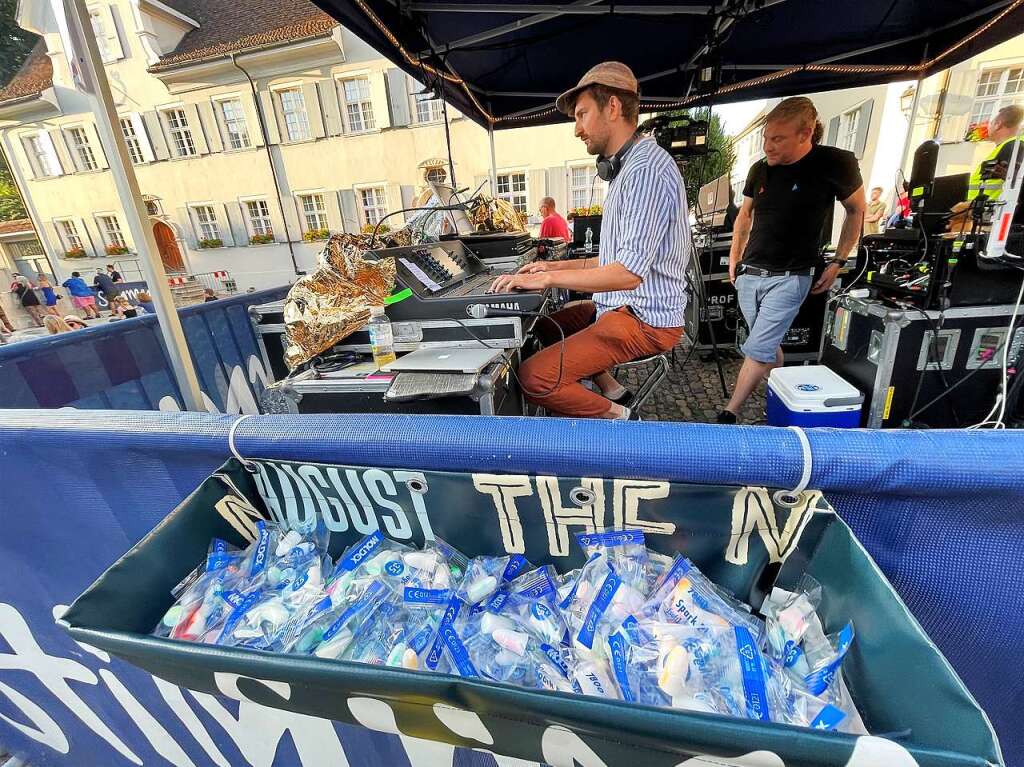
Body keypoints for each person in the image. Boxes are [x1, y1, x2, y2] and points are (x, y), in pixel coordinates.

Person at [490, 62, 688, 419]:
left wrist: (549, 279)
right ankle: (612, 388)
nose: (577, 129)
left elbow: (627, 273)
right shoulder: (627, 168)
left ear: (612, 107)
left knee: (534, 377)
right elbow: (610, 259)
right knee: (548, 326)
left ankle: (625, 421)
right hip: (622, 308)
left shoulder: (645, 170)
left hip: (646, 319)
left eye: (582, 115)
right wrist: (551, 265)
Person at [719, 97, 865, 424]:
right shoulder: (759, 170)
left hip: (791, 275)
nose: (768, 146)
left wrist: (838, 260)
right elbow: (744, 217)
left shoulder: (835, 163)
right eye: (766, 138)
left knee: (757, 348)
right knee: (768, 345)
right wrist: (734, 257)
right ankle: (783, 395)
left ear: (806, 134)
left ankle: (730, 412)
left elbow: (856, 211)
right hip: (750, 274)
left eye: (777, 139)